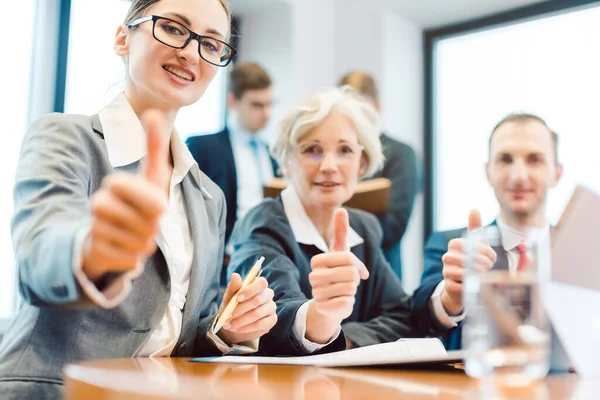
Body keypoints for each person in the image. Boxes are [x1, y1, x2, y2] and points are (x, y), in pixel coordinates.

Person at [0, 1, 277, 397]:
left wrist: (227, 328)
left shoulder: (208, 196)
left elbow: (183, 331)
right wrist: (91, 252)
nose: (190, 52)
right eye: (174, 28)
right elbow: (39, 257)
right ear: (121, 39)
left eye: (212, 45)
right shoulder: (64, 138)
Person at [228, 87, 451, 356]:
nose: (330, 166)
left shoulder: (365, 227)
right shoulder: (263, 222)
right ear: (286, 162)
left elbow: (403, 318)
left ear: (361, 165)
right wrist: (323, 315)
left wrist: (344, 341)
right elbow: (271, 321)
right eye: (312, 150)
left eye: (345, 150)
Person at [412, 113, 563, 350]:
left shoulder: (584, 254)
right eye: (505, 159)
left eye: (534, 159)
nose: (519, 176)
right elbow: (419, 314)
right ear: (488, 171)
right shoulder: (454, 244)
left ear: (557, 173)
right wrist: (451, 297)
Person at [186, 62, 279, 247]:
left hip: (266, 253)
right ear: (232, 102)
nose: (267, 114)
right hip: (222, 257)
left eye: (270, 105)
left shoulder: (272, 154)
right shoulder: (203, 147)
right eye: (257, 105)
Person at [338, 71, 419, 281]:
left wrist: (332, 225)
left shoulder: (400, 154)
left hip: (381, 272)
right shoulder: (336, 156)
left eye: (361, 110)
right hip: (339, 269)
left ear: (378, 106)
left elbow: (394, 226)